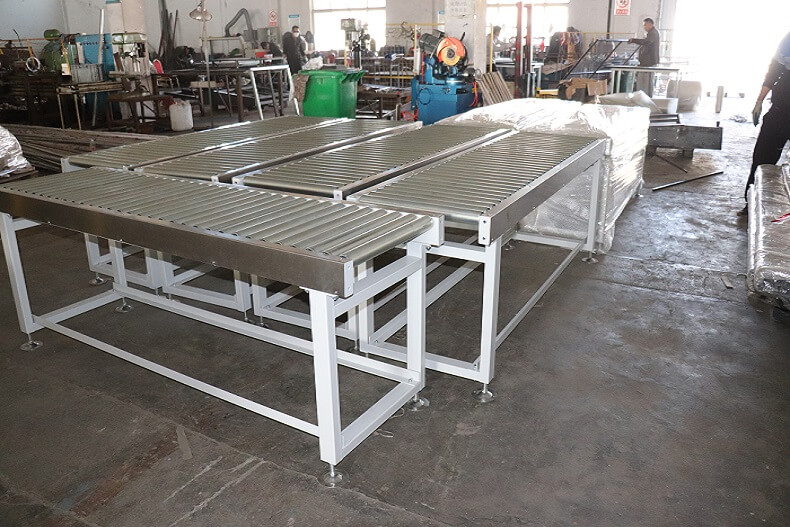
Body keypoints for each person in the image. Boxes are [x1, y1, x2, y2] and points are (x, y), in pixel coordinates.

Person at [741, 31, 790, 214]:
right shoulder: (788, 42)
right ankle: (752, 204)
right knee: (762, 159)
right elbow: (773, 72)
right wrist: (759, 101)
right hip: (780, 112)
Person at [629, 18, 660, 96]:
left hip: (649, 62)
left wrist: (634, 40)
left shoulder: (653, 33)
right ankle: (643, 96)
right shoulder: (651, 33)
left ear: (650, 24)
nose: (644, 27)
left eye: (645, 25)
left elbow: (647, 42)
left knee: (647, 82)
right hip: (646, 62)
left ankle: (647, 97)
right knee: (644, 82)